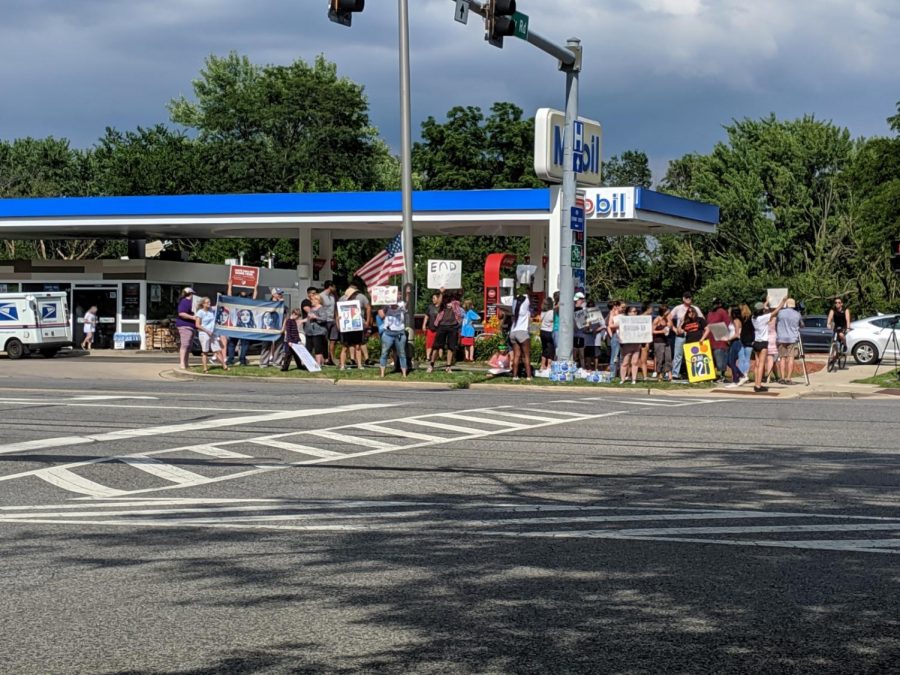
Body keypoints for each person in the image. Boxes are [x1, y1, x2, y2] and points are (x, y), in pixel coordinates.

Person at [751, 297, 786, 393]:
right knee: (762, 364)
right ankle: (758, 385)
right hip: (763, 342)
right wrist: (782, 302)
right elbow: (776, 311)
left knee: (757, 365)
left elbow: (763, 309)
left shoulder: (753, 318)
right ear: (762, 310)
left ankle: (756, 383)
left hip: (756, 341)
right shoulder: (763, 318)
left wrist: (766, 301)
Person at [669, 292, 704, 380]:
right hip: (681, 334)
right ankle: (675, 374)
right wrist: (674, 329)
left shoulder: (695, 308)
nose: (688, 299)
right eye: (686, 297)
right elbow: (668, 318)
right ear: (683, 298)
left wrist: (700, 333)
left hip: (692, 335)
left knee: (692, 354)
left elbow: (702, 320)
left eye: (690, 297)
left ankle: (693, 373)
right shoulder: (678, 308)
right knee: (678, 354)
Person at [378, 286, 411, 378]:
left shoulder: (401, 304)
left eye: (400, 294)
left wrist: (408, 294)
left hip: (399, 332)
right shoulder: (387, 304)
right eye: (397, 294)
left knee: (402, 353)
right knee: (384, 352)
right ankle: (382, 373)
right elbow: (381, 313)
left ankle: (404, 373)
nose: (398, 296)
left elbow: (407, 304)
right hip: (388, 332)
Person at [430, 288, 463, 373]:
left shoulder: (456, 302)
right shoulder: (442, 302)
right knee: (436, 346)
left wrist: (458, 285)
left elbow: (460, 293)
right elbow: (438, 303)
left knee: (451, 347)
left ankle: (448, 366)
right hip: (442, 325)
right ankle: (431, 364)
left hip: (453, 326)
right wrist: (441, 293)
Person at [194, 297, 227, 373]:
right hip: (204, 333)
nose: (209, 303)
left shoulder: (211, 310)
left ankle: (224, 365)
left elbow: (219, 305)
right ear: (203, 304)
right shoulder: (200, 312)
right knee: (205, 351)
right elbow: (197, 325)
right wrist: (207, 331)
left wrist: (221, 298)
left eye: (209, 302)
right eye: (207, 302)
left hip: (213, 333)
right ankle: (205, 368)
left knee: (218, 350)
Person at [338, 282, 366, 370]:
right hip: (346, 327)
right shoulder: (342, 301)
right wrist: (339, 322)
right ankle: (342, 365)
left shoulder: (356, 302)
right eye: (353, 294)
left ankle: (359, 365)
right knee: (345, 347)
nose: (355, 295)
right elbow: (337, 314)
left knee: (357, 346)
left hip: (356, 326)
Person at [508, 286, 533, 381]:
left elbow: (514, 295)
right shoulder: (525, 305)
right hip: (522, 331)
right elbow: (529, 292)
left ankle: (515, 376)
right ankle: (529, 376)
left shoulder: (515, 305)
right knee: (526, 355)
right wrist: (530, 282)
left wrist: (515, 284)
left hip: (513, 331)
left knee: (516, 355)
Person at [776, 298, 803, 385]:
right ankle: (788, 378)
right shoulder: (797, 314)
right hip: (792, 338)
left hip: (781, 338)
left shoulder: (780, 313)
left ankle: (782, 377)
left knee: (782, 358)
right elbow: (802, 325)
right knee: (791, 358)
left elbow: (777, 322)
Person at [705, 298, 731, 382]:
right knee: (713, 358)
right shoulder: (710, 313)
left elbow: (727, 324)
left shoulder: (722, 311)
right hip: (711, 339)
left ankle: (721, 375)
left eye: (716, 303)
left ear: (720, 304)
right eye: (714, 303)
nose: (715, 305)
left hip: (720, 339)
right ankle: (714, 375)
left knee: (720, 357)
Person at [259, 288, 285, 368]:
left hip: (279, 328)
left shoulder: (284, 306)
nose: (280, 295)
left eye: (281, 294)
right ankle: (264, 362)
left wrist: (283, 328)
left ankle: (277, 362)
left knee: (279, 346)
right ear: (273, 294)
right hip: (268, 328)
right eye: (279, 294)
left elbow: (286, 317)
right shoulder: (267, 304)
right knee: (266, 345)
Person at [304, 291, 329, 366]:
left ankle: (318, 364)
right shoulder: (312, 309)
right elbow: (308, 318)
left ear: (317, 300)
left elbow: (324, 318)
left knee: (318, 348)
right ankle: (308, 363)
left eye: (312, 300)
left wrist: (315, 317)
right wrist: (301, 321)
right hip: (309, 332)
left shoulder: (321, 308)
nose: (311, 301)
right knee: (308, 348)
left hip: (318, 332)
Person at [619, 305, 642, 384]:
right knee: (625, 362)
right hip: (627, 344)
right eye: (633, 311)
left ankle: (634, 379)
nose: (634, 313)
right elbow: (620, 331)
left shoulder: (639, 321)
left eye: (636, 311)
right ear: (628, 313)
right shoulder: (624, 320)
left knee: (635, 362)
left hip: (636, 343)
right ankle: (622, 379)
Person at [175, 287, 196, 370]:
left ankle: (186, 363)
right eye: (193, 294)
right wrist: (193, 317)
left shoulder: (192, 303)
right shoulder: (185, 301)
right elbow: (181, 313)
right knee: (185, 344)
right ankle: (182, 363)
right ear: (190, 294)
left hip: (191, 326)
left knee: (188, 346)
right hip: (184, 325)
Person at [319, 281, 338, 366]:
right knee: (324, 340)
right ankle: (324, 359)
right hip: (325, 321)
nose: (335, 288)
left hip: (332, 320)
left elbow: (335, 308)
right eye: (334, 286)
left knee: (333, 340)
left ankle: (331, 358)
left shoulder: (333, 296)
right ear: (330, 286)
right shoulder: (321, 296)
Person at [725, 306, 746, 386]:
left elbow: (737, 334)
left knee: (731, 362)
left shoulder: (736, 321)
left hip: (736, 342)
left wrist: (729, 339)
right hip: (732, 342)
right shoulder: (732, 321)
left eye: (729, 311)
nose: (728, 312)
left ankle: (735, 380)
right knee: (728, 362)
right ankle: (741, 375)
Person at [652, 304, 672, 381]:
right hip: (659, 341)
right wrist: (661, 331)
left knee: (668, 357)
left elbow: (670, 327)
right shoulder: (657, 319)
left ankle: (669, 374)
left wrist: (668, 320)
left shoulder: (668, 319)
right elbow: (652, 331)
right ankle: (659, 374)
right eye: (667, 311)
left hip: (666, 341)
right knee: (660, 359)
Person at [606, 300, 623, 379]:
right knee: (614, 356)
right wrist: (612, 335)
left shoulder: (620, 314)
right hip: (615, 336)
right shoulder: (611, 313)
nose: (616, 307)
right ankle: (613, 374)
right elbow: (609, 326)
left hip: (621, 336)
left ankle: (619, 374)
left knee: (620, 357)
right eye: (616, 306)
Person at [424, 292, 441, 364]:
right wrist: (424, 324)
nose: (433, 299)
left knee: (439, 344)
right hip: (431, 328)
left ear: (438, 298)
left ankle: (440, 357)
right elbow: (426, 316)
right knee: (429, 343)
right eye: (432, 298)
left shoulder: (441, 307)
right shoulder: (430, 307)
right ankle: (428, 357)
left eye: (434, 298)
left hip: (439, 328)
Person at [539, 297, 555, 371]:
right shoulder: (551, 312)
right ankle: (549, 365)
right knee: (551, 349)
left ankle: (542, 365)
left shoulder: (542, 312)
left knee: (544, 349)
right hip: (549, 331)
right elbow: (552, 320)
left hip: (542, 331)